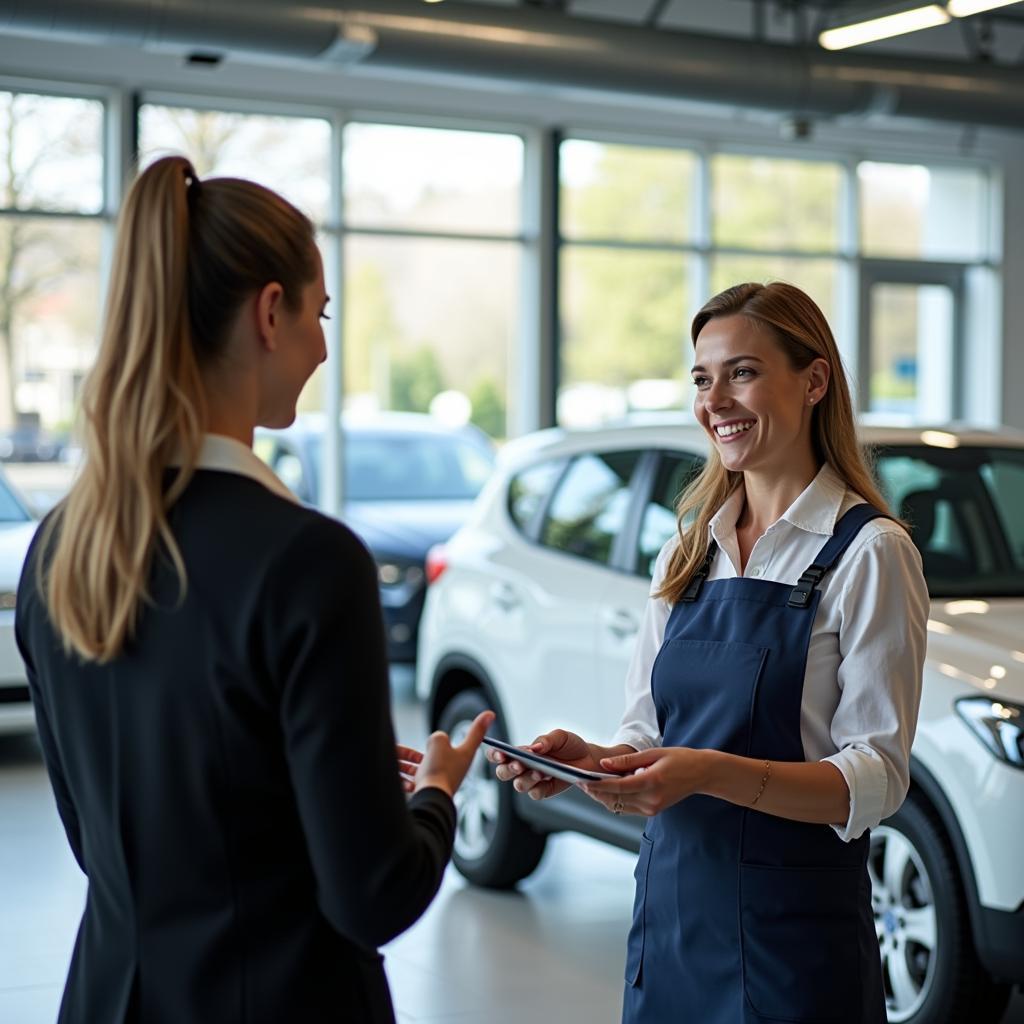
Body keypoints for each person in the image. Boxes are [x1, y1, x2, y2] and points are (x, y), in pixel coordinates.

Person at [15, 155, 492, 1024]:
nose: (322, 345)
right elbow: (375, 897)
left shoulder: (61, 548)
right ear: (271, 312)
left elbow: (103, 842)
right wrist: (435, 795)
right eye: (321, 314)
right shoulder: (308, 562)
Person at [488, 282, 929, 1024]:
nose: (715, 399)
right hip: (672, 925)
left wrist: (712, 774)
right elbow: (650, 736)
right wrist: (590, 761)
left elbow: (876, 780)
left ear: (814, 381)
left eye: (743, 372)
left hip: (794, 944)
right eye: (702, 377)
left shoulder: (871, 554)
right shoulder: (687, 551)